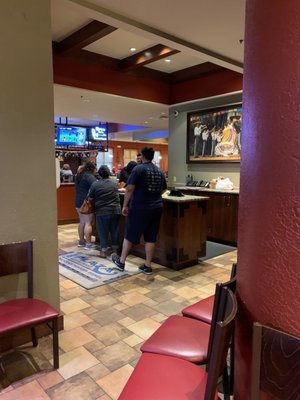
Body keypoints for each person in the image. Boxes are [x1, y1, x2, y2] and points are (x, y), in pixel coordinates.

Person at [112, 147, 167, 275]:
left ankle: (121, 261)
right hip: (157, 207)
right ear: (153, 156)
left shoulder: (138, 169)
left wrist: (125, 205)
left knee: (130, 234)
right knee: (151, 236)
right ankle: (147, 265)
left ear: (142, 156)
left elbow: (129, 188)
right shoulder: (159, 171)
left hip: (140, 207)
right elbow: (164, 189)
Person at [89, 165, 121, 258]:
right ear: (109, 173)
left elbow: (90, 197)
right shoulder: (115, 182)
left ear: (99, 174)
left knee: (103, 231)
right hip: (115, 210)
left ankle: (103, 251)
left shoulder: (95, 184)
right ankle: (115, 250)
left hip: (102, 210)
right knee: (114, 230)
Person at [74, 161, 97, 249]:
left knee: (82, 221)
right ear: (92, 169)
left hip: (78, 201)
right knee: (88, 223)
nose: (96, 171)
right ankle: (88, 244)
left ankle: (81, 241)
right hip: (86, 202)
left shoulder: (79, 175)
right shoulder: (89, 176)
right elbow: (96, 186)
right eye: (95, 169)